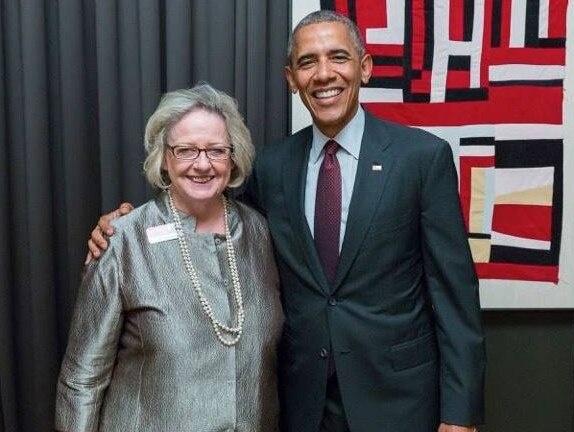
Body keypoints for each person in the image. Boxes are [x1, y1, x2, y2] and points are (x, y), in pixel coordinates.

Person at [88, 10, 485, 432]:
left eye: (338, 57)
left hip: (399, 400)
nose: (324, 74)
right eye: (307, 62)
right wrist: (124, 229)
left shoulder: (422, 159)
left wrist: (458, 415)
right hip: (303, 401)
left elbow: (454, 295)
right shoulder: (273, 166)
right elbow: (207, 214)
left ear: (364, 68)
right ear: (291, 79)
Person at [56, 83, 284, 431]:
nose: (202, 164)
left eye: (216, 150)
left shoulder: (261, 233)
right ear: (164, 157)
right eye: (186, 150)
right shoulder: (123, 242)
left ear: (234, 156)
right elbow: (81, 381)